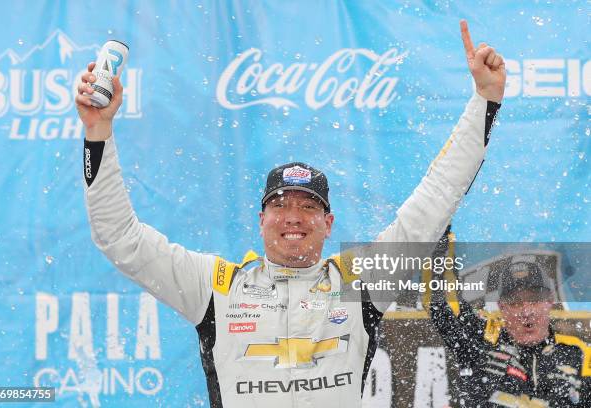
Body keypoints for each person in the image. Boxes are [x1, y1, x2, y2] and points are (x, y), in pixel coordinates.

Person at [76, 21, 505, 407]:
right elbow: (119, 238)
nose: (293, 217)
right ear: (261, 221)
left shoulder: (358, 283)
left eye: (308, 207)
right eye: (279, 206)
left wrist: (484, 101)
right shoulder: (216, 288)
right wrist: (98, 134)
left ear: (328, 224)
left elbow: (437, 198)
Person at [429, 255, 590, 407]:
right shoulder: (480, 341)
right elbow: (438, 300)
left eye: (534, 300)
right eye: (516, 302)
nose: (526, 312)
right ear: (502, 307)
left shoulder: (579, 352)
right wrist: (441, 237)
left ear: (550, 301)